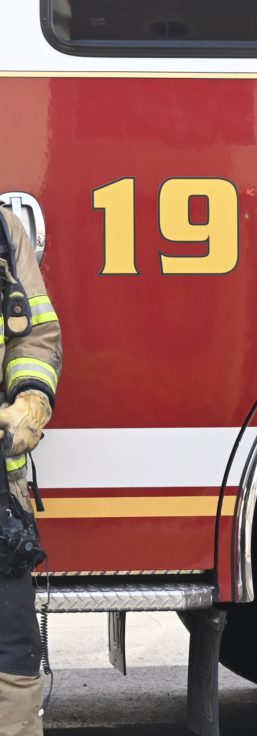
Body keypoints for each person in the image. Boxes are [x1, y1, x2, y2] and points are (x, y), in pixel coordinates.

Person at [0, 207, 62, 736]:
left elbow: (35, 336)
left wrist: (31, 399)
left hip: (0, 489)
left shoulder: (3, 231)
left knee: (13, 651)